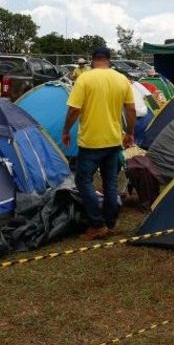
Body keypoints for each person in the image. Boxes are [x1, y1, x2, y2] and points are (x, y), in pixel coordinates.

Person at [62, 47, 136, 240]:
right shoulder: (122, 80)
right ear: (109, 60)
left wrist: (65, 130)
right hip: (113, 140)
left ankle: (97, 224)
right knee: (110, 183)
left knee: (83, 180)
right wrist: (129, 133)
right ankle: (110, 223)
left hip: (91, 142)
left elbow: (74, 111)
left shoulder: (84, 79)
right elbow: (131, 110)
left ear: (92, 60)